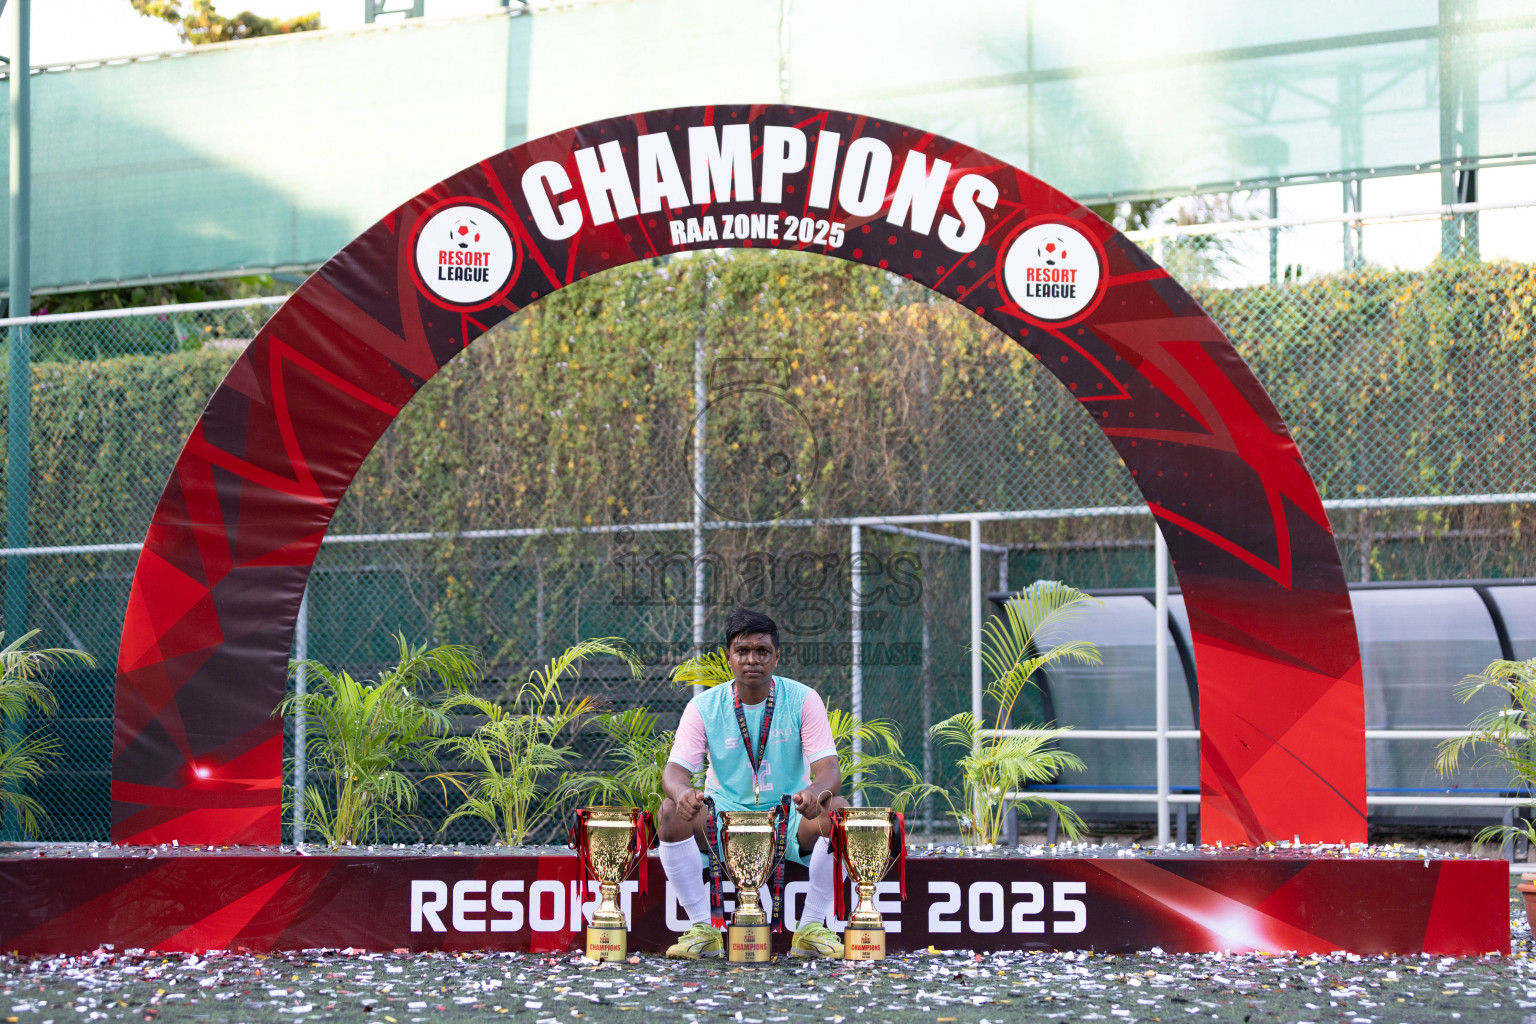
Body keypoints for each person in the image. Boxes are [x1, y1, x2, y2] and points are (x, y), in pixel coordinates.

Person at [658, 607, 849, 959]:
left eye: (762, 651)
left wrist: (812, 793)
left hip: (789, 816)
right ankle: (704, 928)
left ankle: (810, 928)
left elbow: (830, 770)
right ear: (728, 657)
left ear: (776, 656)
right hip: (724, 818)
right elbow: (674, 772)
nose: (752, 660)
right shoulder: (703, 706)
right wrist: (684, 793)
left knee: (837, 812)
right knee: (670, 811)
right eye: (742, 651)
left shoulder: (804, 699)